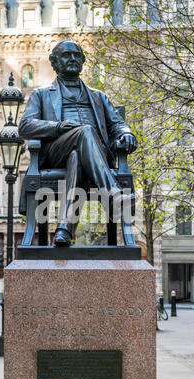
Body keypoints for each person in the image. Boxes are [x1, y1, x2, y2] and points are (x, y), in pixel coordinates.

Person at [19, 40, 137, 246]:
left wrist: (127, 133)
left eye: (77, 55)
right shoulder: (42, 94)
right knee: (85, 132)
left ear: (83, 61)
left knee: (77, 155)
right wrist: (57, 126)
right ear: (55, 63)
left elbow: (119, 124)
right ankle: (113, 194)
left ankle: (64, 229)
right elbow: (25, 126)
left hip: (93, 155)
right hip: (56, 152)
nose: (73, 58)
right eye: (66, 55)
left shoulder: (98, 96)